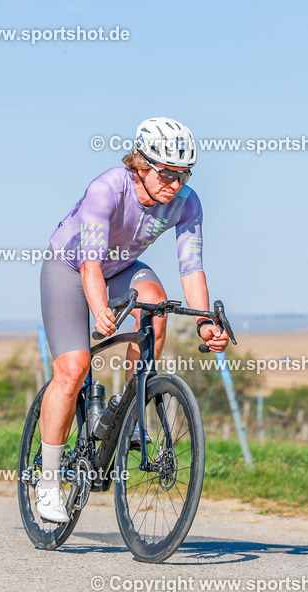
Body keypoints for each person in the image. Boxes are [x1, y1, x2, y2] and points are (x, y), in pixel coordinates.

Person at [36, 117, 230, 523]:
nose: (175, 185)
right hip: (71, 268)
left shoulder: (187, 202)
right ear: (140, 164)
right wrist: (101, 309)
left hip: (121, 267)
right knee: (73, 370)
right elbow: (90, 263)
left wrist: (204, 322)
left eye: (184, 175)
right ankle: (49, 484)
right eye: (167, 174)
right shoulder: (107, 188)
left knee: (156, 308)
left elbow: (191, 269)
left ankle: (129, 412)